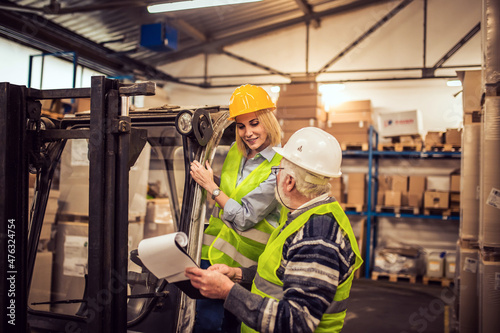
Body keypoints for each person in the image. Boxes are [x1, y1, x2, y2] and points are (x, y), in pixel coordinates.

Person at [186, 127, 363, 333]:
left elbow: (297, 322)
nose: (276, 178)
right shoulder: (303, 218)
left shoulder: (317, 237)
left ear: (289, 182)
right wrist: (237, 275)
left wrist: (228, 291)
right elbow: (279, 278)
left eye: (277, 171)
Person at [189, 84, 284, 332]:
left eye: (254, 123)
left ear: (268, 121)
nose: (247, 133)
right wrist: (211, 180)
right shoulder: (235, 152)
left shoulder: (279, 167)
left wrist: (212, 187)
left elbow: (244, 218)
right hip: (212, 254)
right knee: (202, 322)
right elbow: (233, 195)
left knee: (224, 324)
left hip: (246, 266)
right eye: (241, 126)